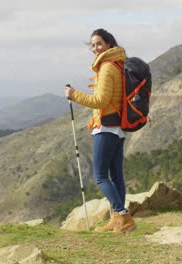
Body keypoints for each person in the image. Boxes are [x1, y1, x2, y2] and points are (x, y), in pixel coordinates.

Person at [64, 29, 136, 233]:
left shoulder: (106, 67)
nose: (95, 48)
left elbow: (100, 101)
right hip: (118, 126)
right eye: (93, 45)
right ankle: (117, 221)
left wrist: (73, 95)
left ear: (109, 44)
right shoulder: (118, 64)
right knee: (117, 177)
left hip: (106, 126)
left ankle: (123, 215)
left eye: (99, 44)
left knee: (101, 176)